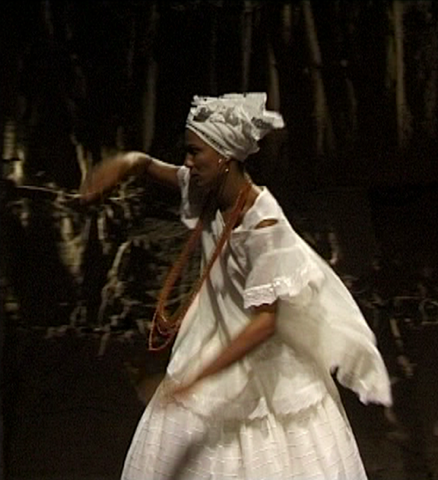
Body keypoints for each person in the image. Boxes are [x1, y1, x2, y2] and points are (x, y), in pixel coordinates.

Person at [80, 93, 392, 479]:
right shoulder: (209, 190)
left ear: (225, 157)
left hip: (256, 362)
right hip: (211, 336)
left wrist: (201, 376)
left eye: (195, 153)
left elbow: (265, 322)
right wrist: (129, 162)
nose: (187, 163)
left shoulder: (263, 223)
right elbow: (157, 170)